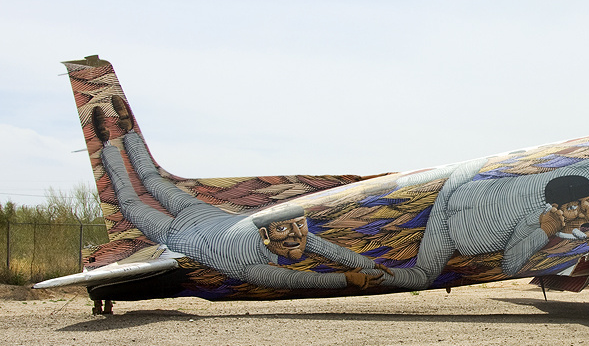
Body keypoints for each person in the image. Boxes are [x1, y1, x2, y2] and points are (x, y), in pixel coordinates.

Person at [93, 99, 384, 291]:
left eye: (299, 227)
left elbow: (327, 250)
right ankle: (113, 141)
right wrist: (345, 278)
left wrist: (370, 266)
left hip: (193, 217)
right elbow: (297, 278)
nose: (297, 235)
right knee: (135, 198)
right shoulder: (254, 267)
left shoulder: (281, 231)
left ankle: (117, 139)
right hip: (184, 224)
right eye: (286, 228)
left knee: (148, 183)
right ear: (268, 235)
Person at [382, 138, 589, 289]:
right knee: (420, 275)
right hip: (451, 213)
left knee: (419, 275)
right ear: (558, 208)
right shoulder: (542, 220)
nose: (585, 212)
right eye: (577, 207)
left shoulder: (581, 175)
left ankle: (356, 273)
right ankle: (393, 184)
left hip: (452, 207)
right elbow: (511, 263)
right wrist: (545, 231)